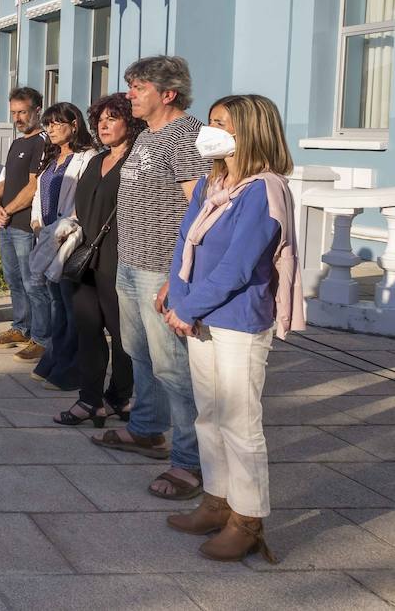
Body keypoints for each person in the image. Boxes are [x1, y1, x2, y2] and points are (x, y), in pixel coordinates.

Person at [163, 94, 300, 563]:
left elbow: (239, 266)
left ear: (247, 131)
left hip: (238, 320)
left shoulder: (264, 190)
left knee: (241, 423)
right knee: (209, 414)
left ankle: (248, 520)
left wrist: (188, 306)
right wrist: (177, 296)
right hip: (199, 315)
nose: (209, 129)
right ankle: (217, 501)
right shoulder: (211, 183)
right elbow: (186, 241)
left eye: (220, 122)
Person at [93, 55, 210, 503]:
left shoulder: (187, 137)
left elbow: (199, 210)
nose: (129, 94)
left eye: (138, 87)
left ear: (168, 94)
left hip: (161, 270)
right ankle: (145, 430)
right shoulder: (148, 136)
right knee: (137, 354)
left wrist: (179, 277)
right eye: (130, 86)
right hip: (131, 264)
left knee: (173, 369)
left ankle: (188, 462)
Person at [54, 93, 140, 428]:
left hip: (119, 258)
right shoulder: (95, 160)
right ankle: (89, 400)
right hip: (85, 257)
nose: (103, 125)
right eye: (100, 119)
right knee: (87, 330)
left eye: (112, 118)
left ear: (129, 122)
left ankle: (118, 395)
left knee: (122, 335)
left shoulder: (136, 162)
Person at [29, 102, 99, 390]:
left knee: (71, 308)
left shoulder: (88, 158)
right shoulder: (52, 158)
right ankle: (54, 359)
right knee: (57, 304)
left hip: (69, 238)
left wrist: (58, 230)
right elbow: (38, 194)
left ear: (74, 125)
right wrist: (36, 223)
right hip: (45, 237)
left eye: (58, 123)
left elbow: (83, 203)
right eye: (49, 124)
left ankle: (70, 369)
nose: (52, 128)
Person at [0, 87, 53, 358]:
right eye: (14, 113)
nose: (17, 118)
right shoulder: (17, 142)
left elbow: (33, 186)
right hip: (6, 222)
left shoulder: (42, 142)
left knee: (33, 283)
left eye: (22, 112)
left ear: (37, 110)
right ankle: (20, 326)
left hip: (25, 225)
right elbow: (4, 180)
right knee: (13, 279)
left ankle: (41, 337)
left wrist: (8, 210)